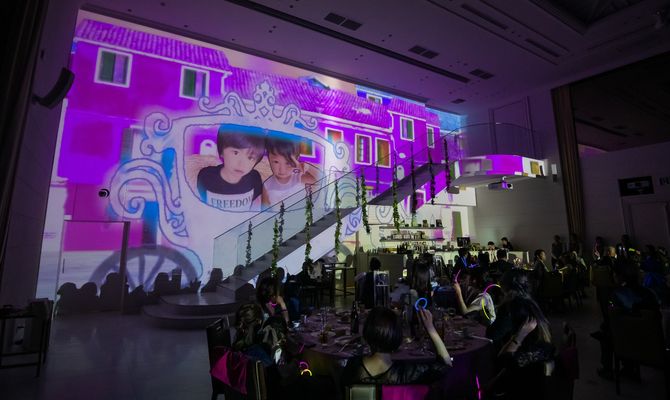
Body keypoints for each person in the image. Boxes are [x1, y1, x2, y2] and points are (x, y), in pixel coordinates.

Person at [341, 307, 451, 386]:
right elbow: (446, 365)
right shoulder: (407, 373)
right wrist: (430, 328)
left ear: (366, 334)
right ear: (397, 338)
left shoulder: (352, 367)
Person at [592, 261, 660, 380]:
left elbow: (612, 317)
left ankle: (607, 369)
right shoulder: (649, 294)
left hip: (626, 344)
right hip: (653, 346)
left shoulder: (616, 295)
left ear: (619, 276)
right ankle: (629, 369)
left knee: (606, 331)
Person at [197, 124, 265, 211]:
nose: (242, 164)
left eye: (250, 158)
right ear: (221, 151)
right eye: (235, 153)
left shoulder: (254, 178)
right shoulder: (205, 177)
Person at [262, 137, 318, 207]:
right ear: (269, 159)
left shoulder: (299, 177)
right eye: (276, 162)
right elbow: (264, 210)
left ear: (296, 160)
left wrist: (307, 167)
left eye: (288, 163)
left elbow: (322, 180)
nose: (282, 170)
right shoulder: (267, 186)